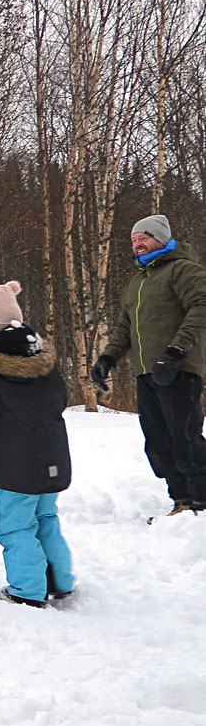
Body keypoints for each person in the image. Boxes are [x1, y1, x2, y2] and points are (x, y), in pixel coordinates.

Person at [0, 278, 75, 608]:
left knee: (16, 527)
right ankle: (60, 581)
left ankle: (27, 590)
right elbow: (60, 400)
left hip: (16, 466)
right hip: (53, 457)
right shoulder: (44, 359)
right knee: (46, 519)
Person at [91, 214, 206, 518]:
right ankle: (182, 500)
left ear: (161, 238)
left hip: (178, 367)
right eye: (133, 239)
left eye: (143, 237)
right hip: (147, 371)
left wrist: (176, 350)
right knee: (158, 441)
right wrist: (107, 359)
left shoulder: (183, 270)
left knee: (184, 437)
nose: (137, 244)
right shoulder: (137, 283)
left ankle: (202, 501)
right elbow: (124, 327)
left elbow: (202, 305)